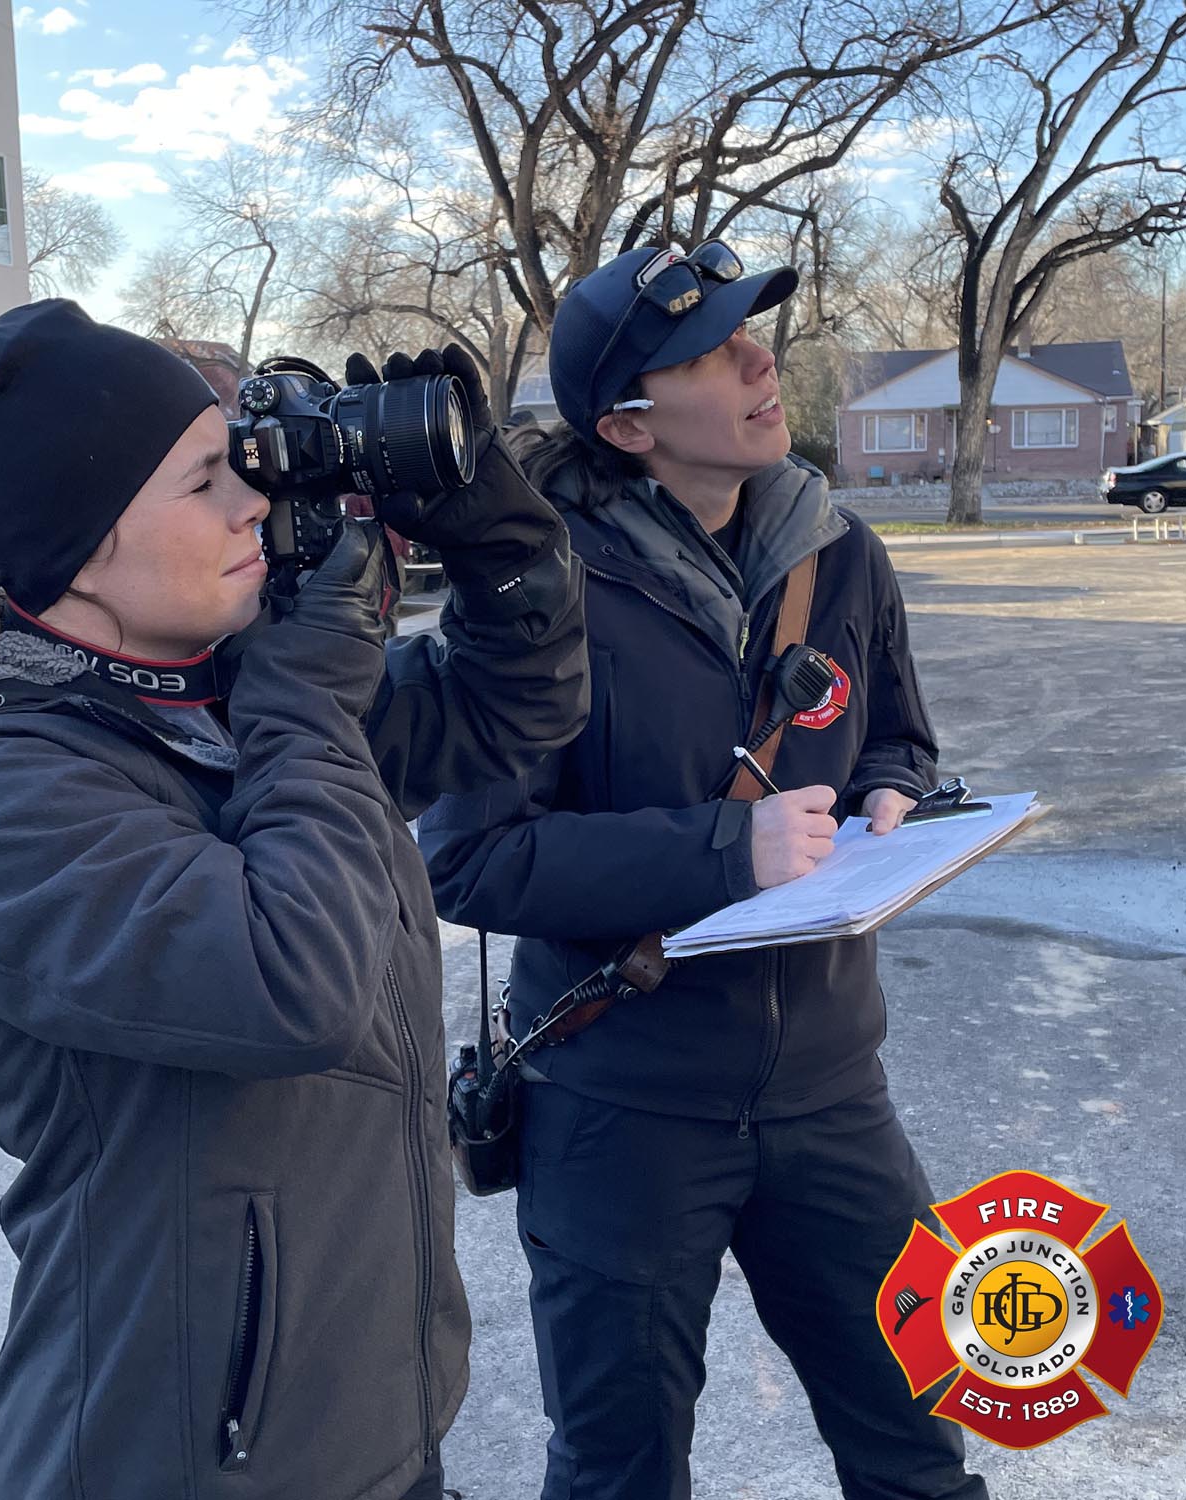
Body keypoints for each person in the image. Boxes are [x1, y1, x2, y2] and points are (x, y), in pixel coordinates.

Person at [0, 300, 588, 1500]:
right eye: (207, 480)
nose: (254, 508)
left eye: (246, 466)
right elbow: (293, 987)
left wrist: (501, 541)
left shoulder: (223, 689)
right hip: (180, 1458)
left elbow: (512, 711)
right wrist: (313, 689)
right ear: (71, 542)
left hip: (370, 1428)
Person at [419, 243, 989, 1500]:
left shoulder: (838, 551)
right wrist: (723, 852)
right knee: (621, 1472)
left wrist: (897, 788)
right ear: (629, 424)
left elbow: (894, 731)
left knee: (918, 1449)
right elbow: (468, 858)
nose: (758, 359)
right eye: (710, 350)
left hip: (835, 1094)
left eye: (755, 332)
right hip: (623, 1105)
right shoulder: (530, 589)